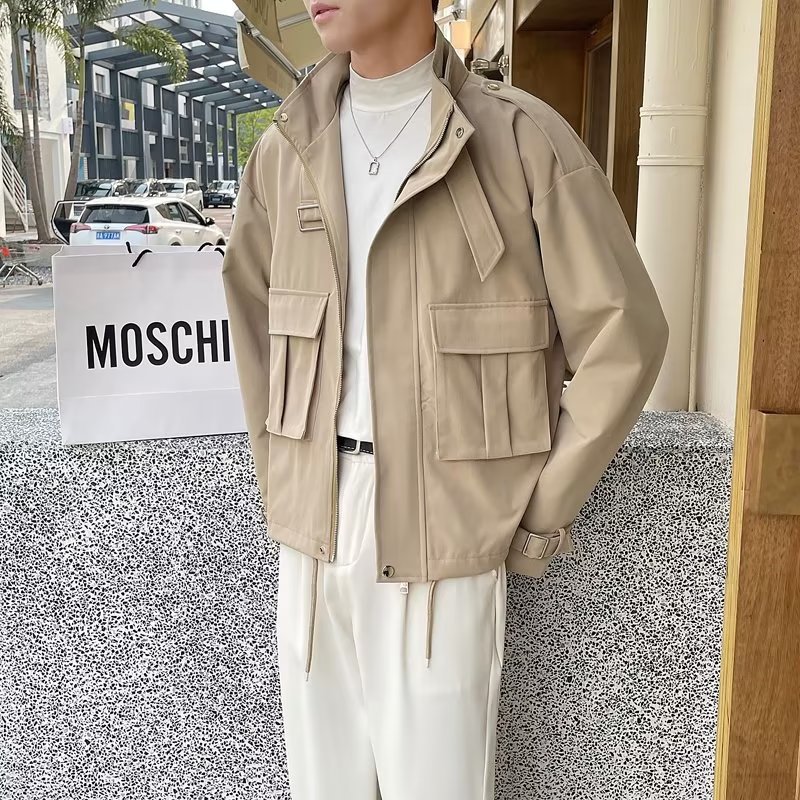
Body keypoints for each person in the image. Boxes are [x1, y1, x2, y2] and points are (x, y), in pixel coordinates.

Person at [221, 0, 669, 797]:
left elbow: (624, 335)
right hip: (314, 535)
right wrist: (282, 480)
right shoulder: (287, 149)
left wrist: (535, 515)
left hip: (443, 539)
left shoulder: (519, 140)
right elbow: (254, 329)